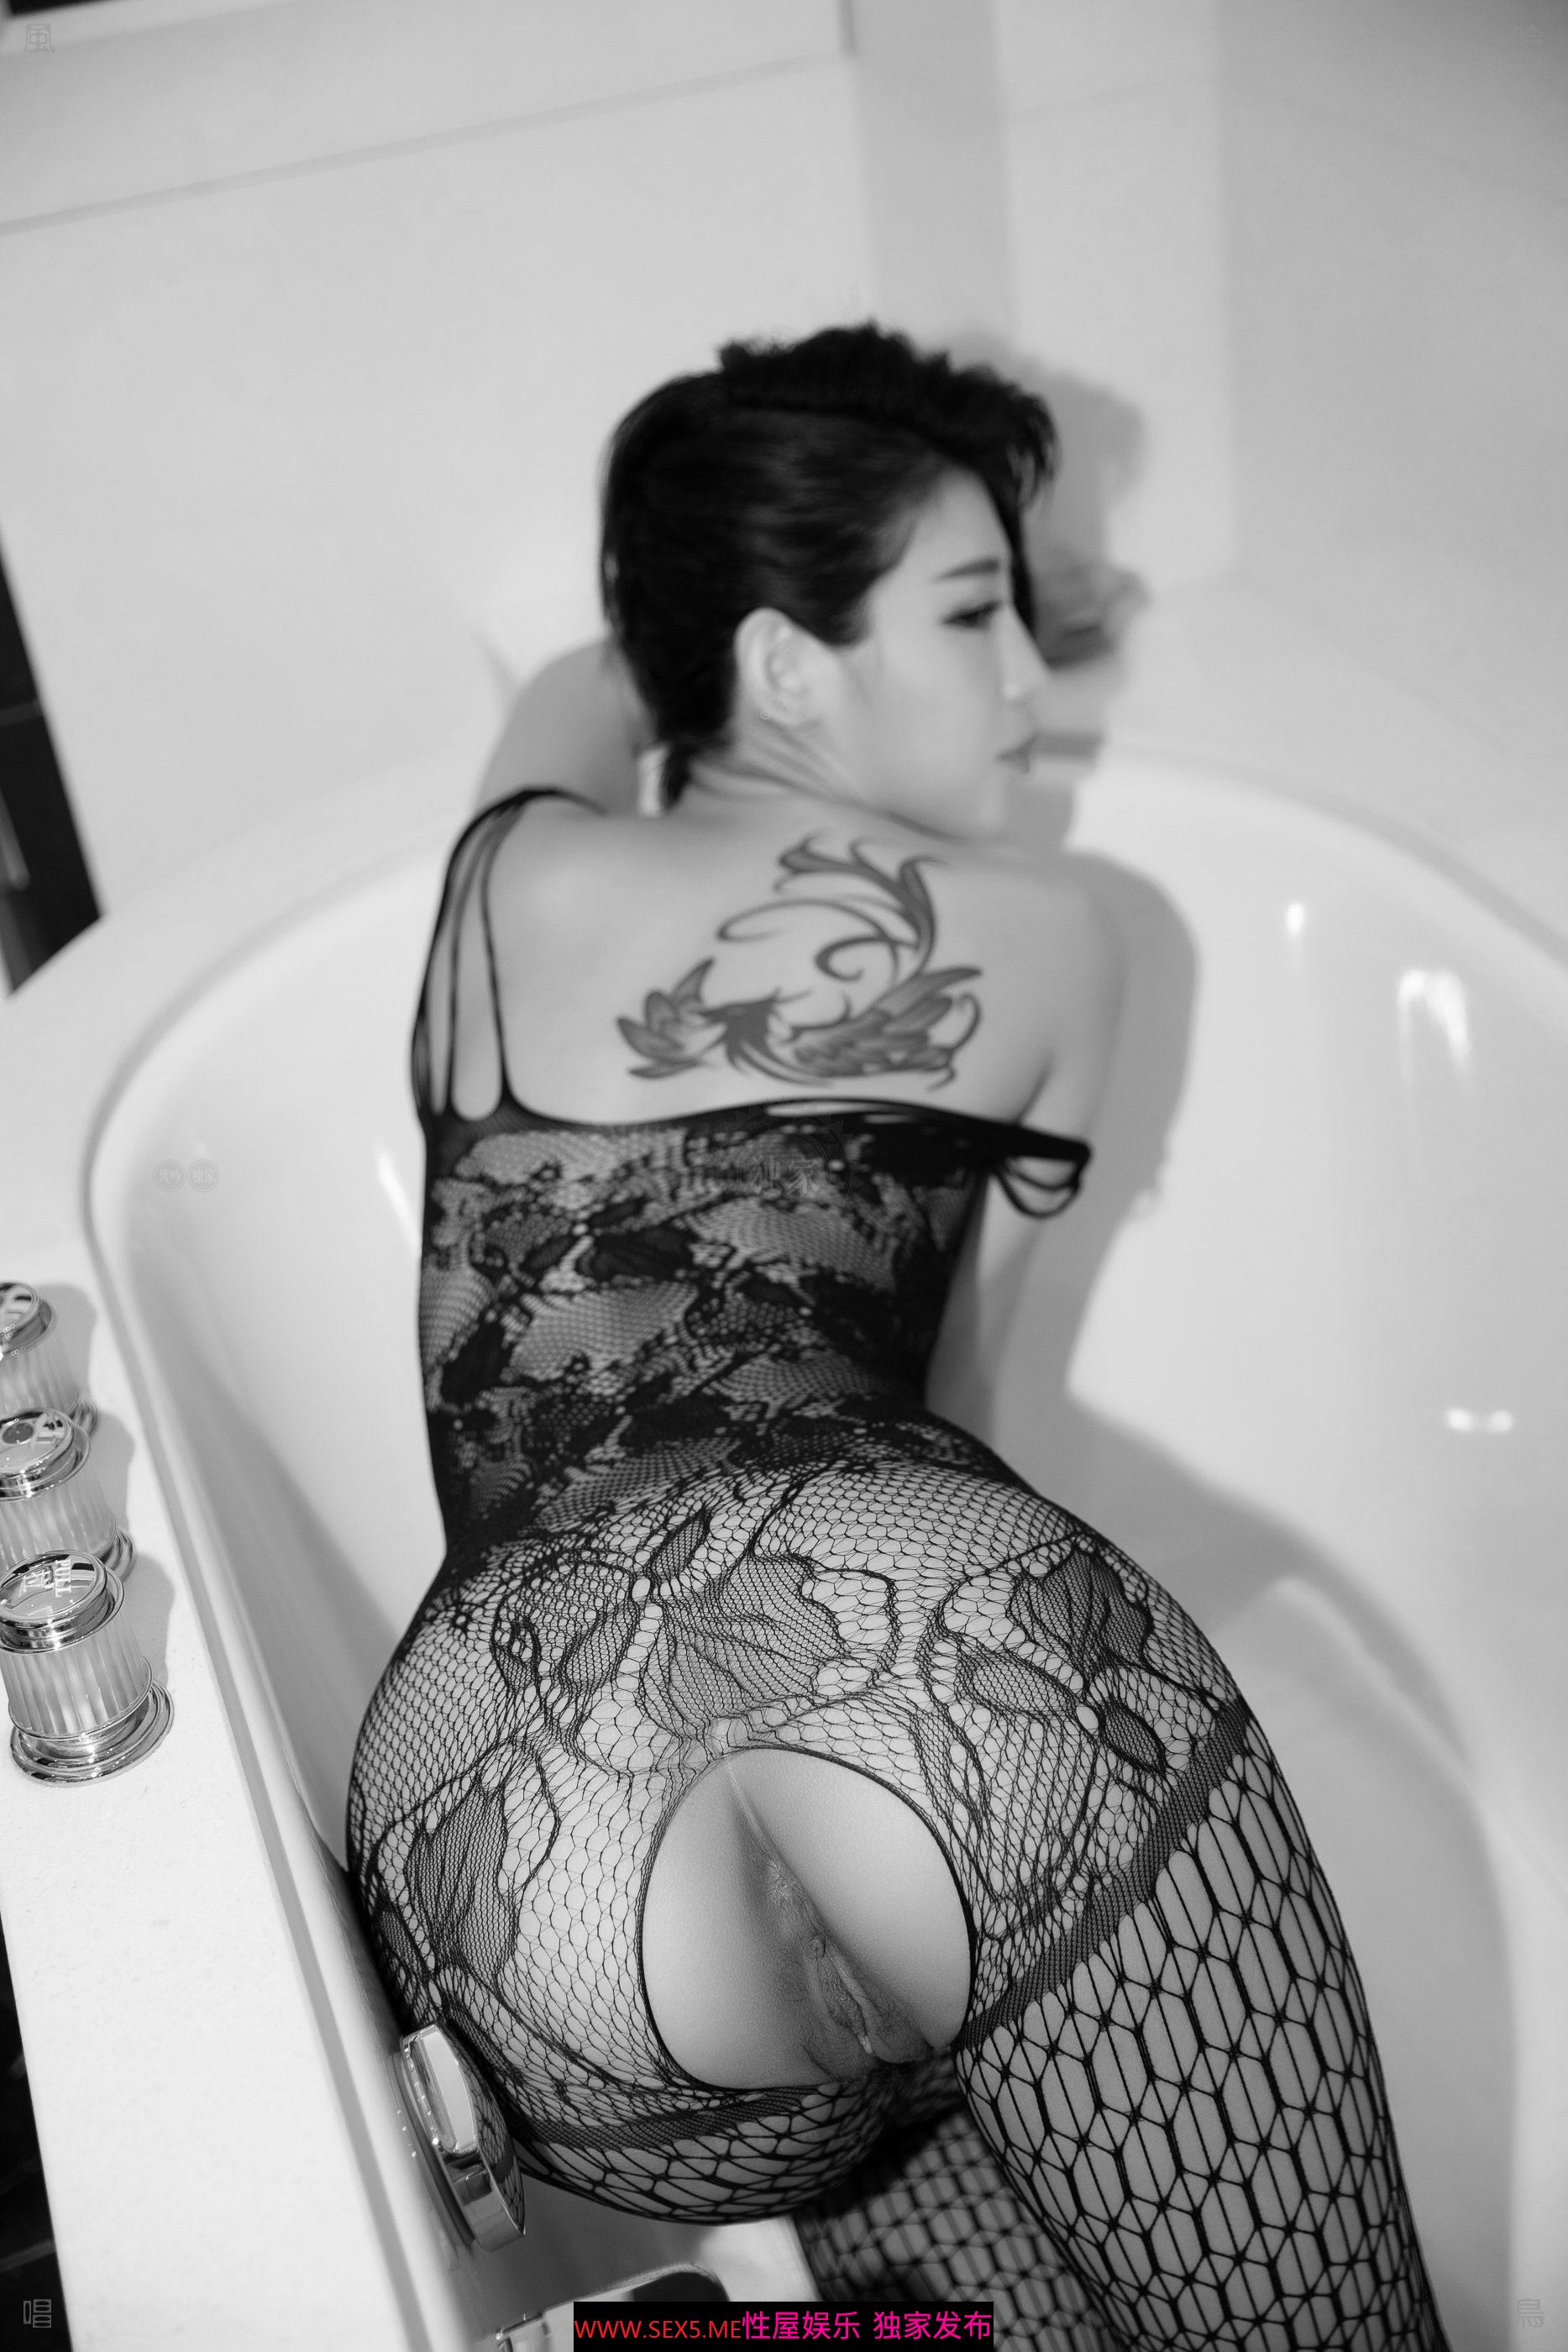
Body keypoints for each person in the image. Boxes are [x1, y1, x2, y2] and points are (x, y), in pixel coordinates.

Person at [347, 325, 1450, 2349]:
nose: (1031, 679)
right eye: (972, 611)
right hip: (902, 1666)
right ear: (785, 661)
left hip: (494, 1818)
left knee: (932, 2109)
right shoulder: (1053, 931)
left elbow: (584, 681)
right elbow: (965, 1412)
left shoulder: (505, 873)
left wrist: (736, 602)